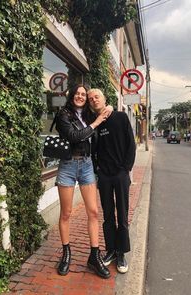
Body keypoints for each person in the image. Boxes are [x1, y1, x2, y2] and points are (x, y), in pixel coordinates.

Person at [55, 84, 111, 279]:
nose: (80, 96)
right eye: (77, 94)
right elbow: (73, 136)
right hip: (68, 166)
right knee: (66, 213)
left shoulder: (87, 115)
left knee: (94, 212)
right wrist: (95, 123)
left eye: (83, 95)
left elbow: (104, 110)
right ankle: (66, 253)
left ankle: (94, 256)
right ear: (72, 96)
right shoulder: (64, 114)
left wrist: (109, 108)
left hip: (86, 166)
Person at [87, 88, 136, 274]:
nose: (93, 100)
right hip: (104, 176)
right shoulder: (94, 123)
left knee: (122, 215)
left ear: (104, 98)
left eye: (96, 96)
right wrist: (97, 170)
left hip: (121, 174)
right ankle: (111, 250)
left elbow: (131, 144)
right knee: (108, 215)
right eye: (91, 99)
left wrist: (126, 169)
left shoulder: (121, 118)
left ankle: (122, 252)